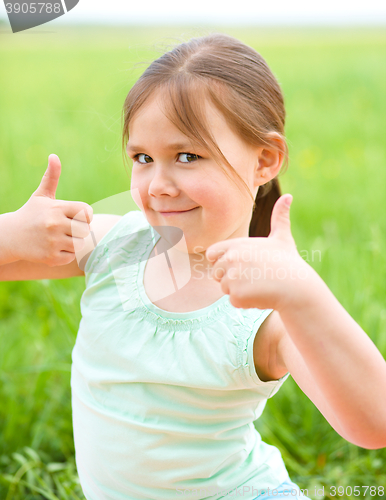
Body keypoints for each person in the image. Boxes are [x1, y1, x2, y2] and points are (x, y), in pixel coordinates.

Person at [1, 33, 386, 500]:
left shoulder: (266, 309)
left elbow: (374, 425)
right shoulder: (116, 244)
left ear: (264, 160)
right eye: (143, 158)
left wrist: (303, 293)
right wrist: (12, 233)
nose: (158, 185)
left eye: (188, 156)